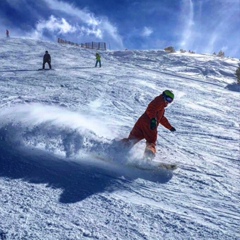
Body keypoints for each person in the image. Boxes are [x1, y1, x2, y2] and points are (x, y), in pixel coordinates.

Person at [121, 90, 176, 160]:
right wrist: (153, 120)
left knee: (132, 139)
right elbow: (150, 109)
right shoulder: (159, 101)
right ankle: (148, 158)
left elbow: (161, 118)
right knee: (151, 141)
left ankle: (118, 147)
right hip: (149, 123)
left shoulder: (160, 104)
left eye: (170, 100)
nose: (168, 102)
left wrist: (169, 127)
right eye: (168, 99)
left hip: (142, 121)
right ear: (164, 96)